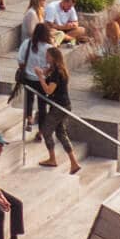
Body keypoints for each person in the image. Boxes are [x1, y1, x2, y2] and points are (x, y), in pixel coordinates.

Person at [36, 45, 81, 175]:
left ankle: (52, 158)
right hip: (65, 105)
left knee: (46, 130)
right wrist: (44, 72)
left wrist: (40, 77)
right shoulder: (58, 70)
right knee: (60, 132)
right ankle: (73, 163)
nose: (46, 58)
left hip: (59, 107)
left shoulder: (57, 73)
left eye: (48, 56)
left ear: (54, 58)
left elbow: (49, 90)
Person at [16, 20, 53, 133]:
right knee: (42, 106)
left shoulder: (27, 43)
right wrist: (43, 73)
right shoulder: (49, 47)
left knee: (29, 100)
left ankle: (29, 119)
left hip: (28, 78)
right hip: (41, 80)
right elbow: (51, 66)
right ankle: (41, 132)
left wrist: (27, 68)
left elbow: (20, 60)